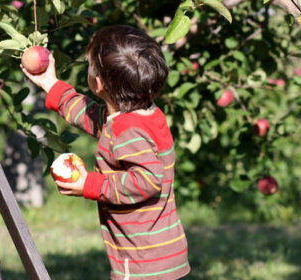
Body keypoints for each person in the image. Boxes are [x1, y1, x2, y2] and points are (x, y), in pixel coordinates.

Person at [21, 25, 190, 280]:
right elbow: (92, 116)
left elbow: (148, 179)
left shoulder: (127, 131)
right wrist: (51, 84)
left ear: (98, 82)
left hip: (143, 261)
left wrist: (91, 184)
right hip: (161, 253)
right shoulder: (141, 116)